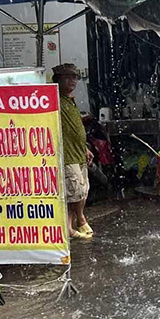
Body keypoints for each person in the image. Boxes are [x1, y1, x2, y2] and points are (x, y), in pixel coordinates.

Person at [54, 63, 94, 241]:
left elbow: (75, 128)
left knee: (83, 190)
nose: (73, 81)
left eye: (75, 77)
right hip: (68, 155)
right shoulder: (56, 100)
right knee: (74, 193)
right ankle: (76, 223)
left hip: (79, 153)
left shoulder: (71, 101)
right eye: (68, 77)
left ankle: (75, 223)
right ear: (59, 80)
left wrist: (85, 148)